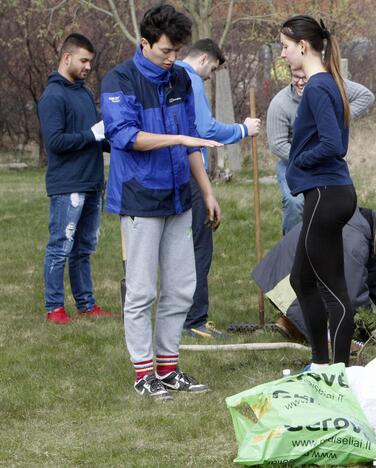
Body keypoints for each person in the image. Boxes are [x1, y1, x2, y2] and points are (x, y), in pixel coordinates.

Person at [101, 4, 222, 400]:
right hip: (139, 199)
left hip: (179, 199)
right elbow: (127, 137)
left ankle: (168, 369)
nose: (172, 59)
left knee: (182, 287)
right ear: (145, 42)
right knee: (141, 292)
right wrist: (180, 139)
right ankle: (143, 374)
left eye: (176, 51)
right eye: (166, 51)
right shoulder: (119, 80)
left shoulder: (180, 82)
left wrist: (206, 191)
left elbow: (189, 139)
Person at [279, 16, 356, 367]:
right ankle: (321, 363)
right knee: (301, 280)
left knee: (334, 292)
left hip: (328, 193)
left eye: (284, 46)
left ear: (303, 46)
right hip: (325, 192)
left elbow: (333, 145)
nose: (283, 54)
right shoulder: (326, 83)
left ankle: (337, 372)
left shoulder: (317, 86)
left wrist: (298, 162)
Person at [176, 38, 261, 339]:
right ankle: (195, 320)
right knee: (200, 244)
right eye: (212, 69)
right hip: (190, 172)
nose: (211, 76)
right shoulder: (190, 80)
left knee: (179, 246)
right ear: (203, 60)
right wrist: (243, 129)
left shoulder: (167, 74)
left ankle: (178, 316)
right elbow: (205, 128)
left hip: (170, 172)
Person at [251, 207, 376, 344]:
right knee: (336, 298)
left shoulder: (364, 226)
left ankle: (291, 324)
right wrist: (373, 325)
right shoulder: (355, 241)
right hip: (283, 281)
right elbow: (354, 292)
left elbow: (373, 275)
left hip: (289, 272)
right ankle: (293, 322)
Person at [38, 33, 113, 325]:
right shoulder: (52, 96)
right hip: (67, 185)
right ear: (66, 58)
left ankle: (86, 304)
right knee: (60, 246)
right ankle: (54, 307)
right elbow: (55, 142)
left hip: (92, 182)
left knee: (84, 249)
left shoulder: (82, 93)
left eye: (90, 62)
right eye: (83, 60)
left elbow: (96, 136)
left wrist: (114, 142)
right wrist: (91, 135)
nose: (88, 67)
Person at [267, 66, 374, 235]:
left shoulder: (326, 86)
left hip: (326, 158)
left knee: (335, 202)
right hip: (294, 163)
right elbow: (277, 144)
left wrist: (339, 116)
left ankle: (324, 242)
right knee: (295, 203)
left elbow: (365, 95)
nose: (300, 82)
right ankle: (291, 245)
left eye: (305, 78)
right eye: (296, 77)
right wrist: (305, 159)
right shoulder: (280, 104)